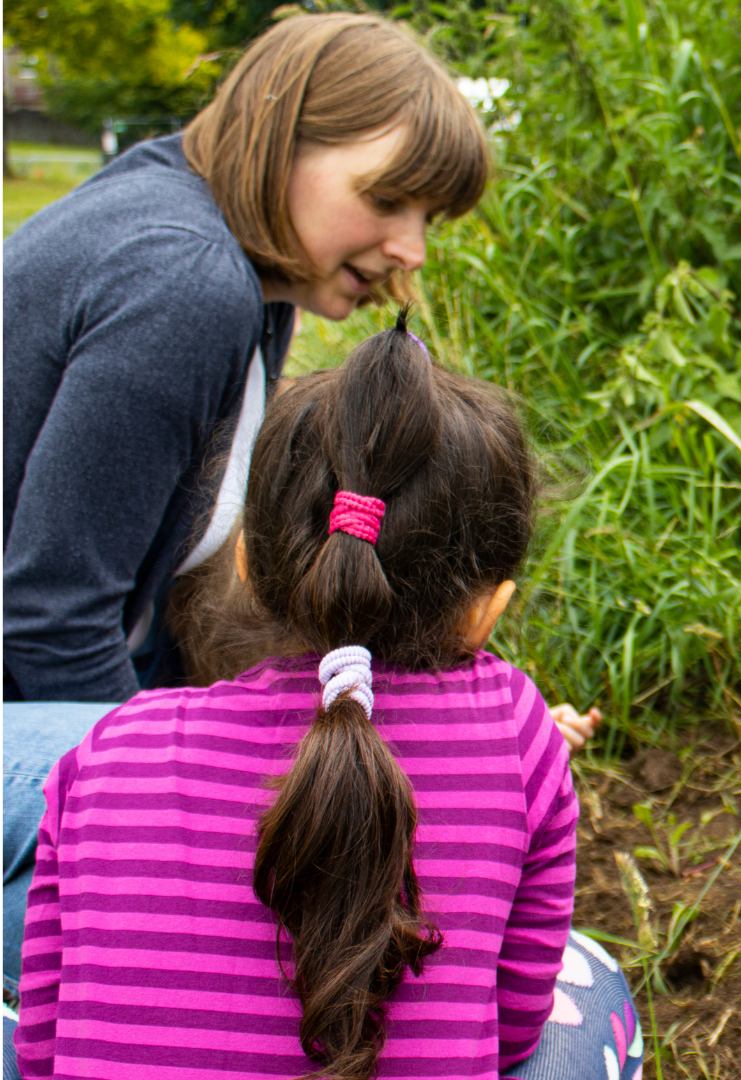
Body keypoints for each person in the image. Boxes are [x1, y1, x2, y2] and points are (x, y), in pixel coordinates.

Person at [0, 13, 598, 992]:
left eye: (430, 220)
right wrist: (163, 837)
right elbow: (47, 613)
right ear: (288, 139)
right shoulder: (186, 280)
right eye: (389, 199)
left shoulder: (246, 271)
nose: (409, 251)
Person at [8, 316, 643, 1080]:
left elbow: (40, 1049)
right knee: (592, 980)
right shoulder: (519, 733)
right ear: (489, 608)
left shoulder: (106, 753)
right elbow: (510, 1036)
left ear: (245, 562)